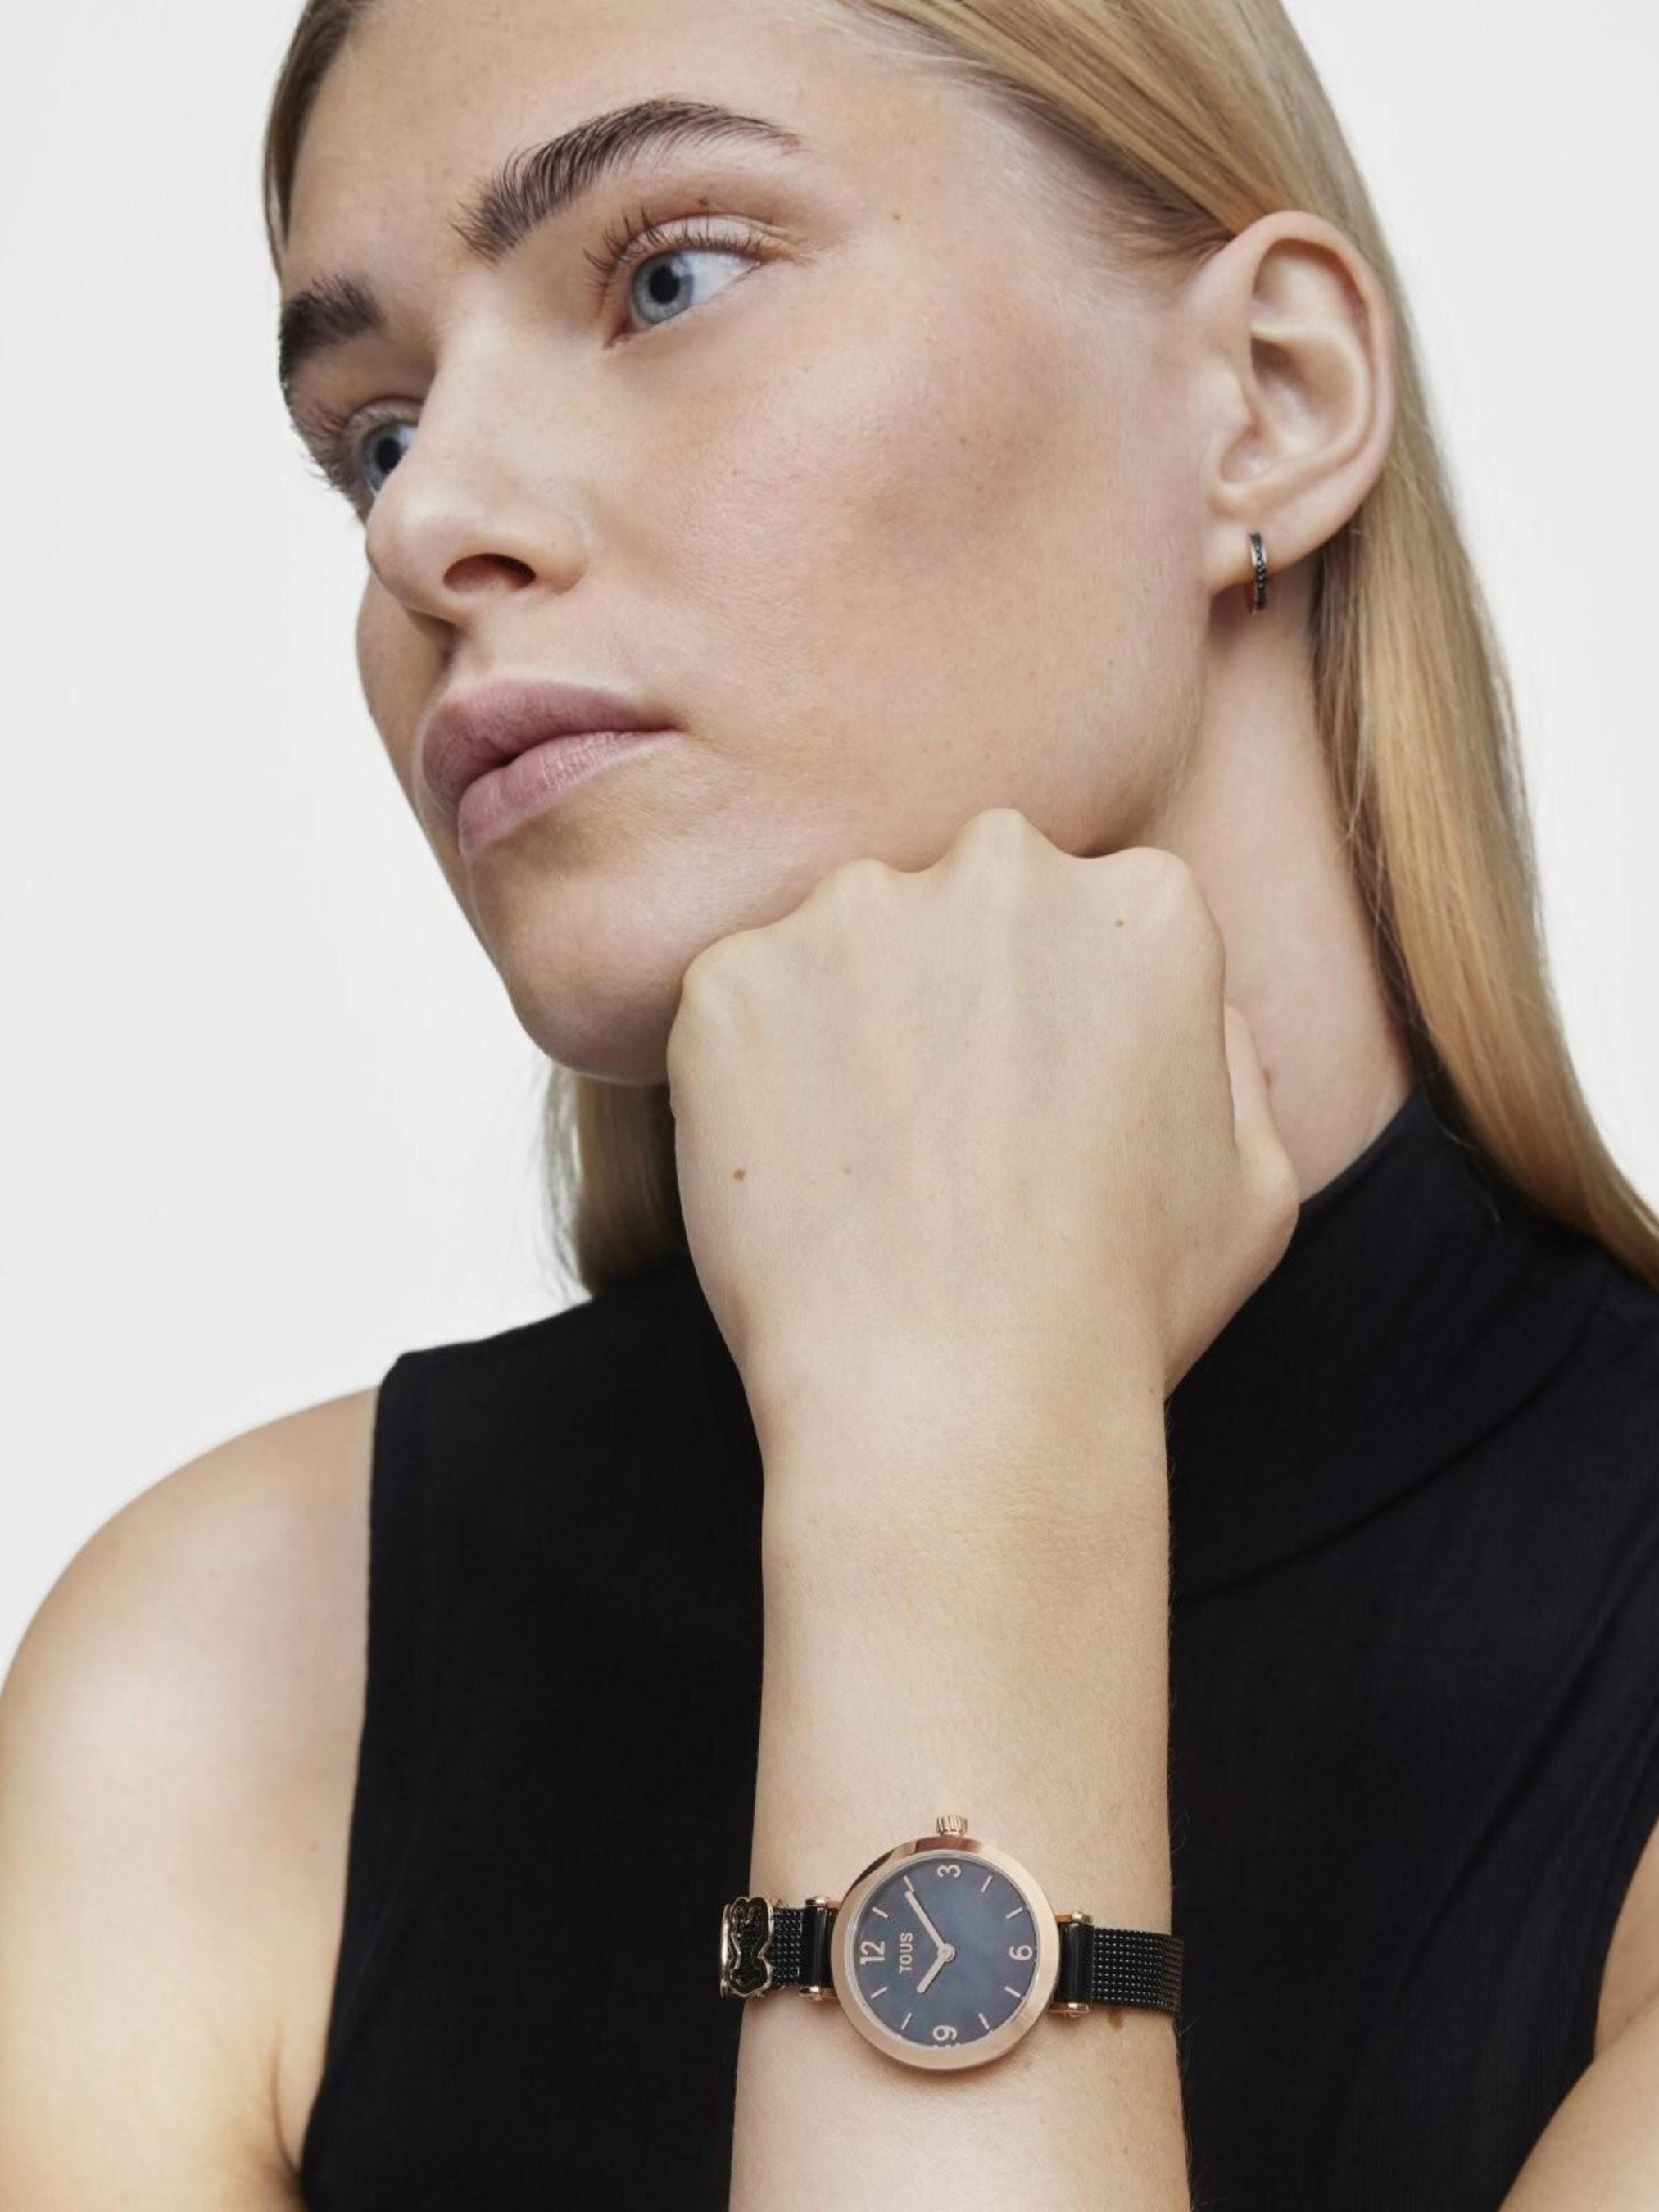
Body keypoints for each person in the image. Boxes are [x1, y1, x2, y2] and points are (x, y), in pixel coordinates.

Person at [2, 0, 1657, 2203]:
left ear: (1264, 400)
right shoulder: (225, 1684)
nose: (428, 530)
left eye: (668, 277)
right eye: (377, 436)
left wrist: (952, 1460)